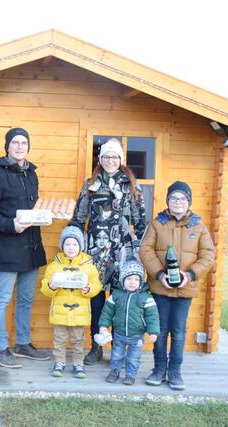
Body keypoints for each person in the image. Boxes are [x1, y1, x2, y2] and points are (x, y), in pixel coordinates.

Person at [0, 127, 50, 368]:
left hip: (32, 247)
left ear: (28, 146)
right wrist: (10, 225)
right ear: (7, 146)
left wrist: (45, 215)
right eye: (15, 143)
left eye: (24, 143)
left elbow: (31, 208)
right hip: (9, 246)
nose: (20, 146)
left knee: (27, 299)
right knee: (2, 300)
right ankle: (0, 348)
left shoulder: (31, 174)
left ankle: (23, 344)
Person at [70, 138, 147, 365]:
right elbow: (79, 218)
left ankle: (119, 349)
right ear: (100, 159)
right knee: (96, 303)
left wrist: (141, 252)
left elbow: (141, 222)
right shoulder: (90, 184)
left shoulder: (131, 185)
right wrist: (71, 243)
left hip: (122, 254)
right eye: (106, 157)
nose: (110, 161)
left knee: (120, 302)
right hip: (94, 255)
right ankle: (96, 347)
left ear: (120, 160)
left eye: (114, 157)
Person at [139, 181, 216, 390]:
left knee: (179, 331)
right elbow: (145, 250)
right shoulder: (157, 224)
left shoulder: (198, 226)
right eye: (174, 198)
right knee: (161, 329)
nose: (178, 202)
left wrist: (190, 275)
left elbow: (208, 255)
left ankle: (175, 372)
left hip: (185, 289)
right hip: (160, 288)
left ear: (188, 202)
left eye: (182, 198)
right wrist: (158, 274)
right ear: (168, 201)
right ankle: (158, 370)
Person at [40, 226, 102, 378]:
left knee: (78, 340)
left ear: (80, 246)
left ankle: (78, 363)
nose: (71, 248)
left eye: (75, 244)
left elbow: (97, 285)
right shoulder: (55, 265)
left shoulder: (88, 266)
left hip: (79, 311)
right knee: (59, 339)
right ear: (62, 246)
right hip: (60, 311)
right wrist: (51, 286)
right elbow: (45, 285)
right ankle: (59, 362)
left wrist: (88, 289)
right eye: (67, 244)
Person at [98, 257, 159, 385]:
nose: (132, 282)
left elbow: (152, 316)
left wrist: (153, 332)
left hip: (136, 335)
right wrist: (104, 325)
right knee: (116, 355)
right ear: (122, 280)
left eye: (136, 279)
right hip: (119, 334)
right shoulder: (116, 295)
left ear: (141, 282)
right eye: (129, 279)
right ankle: (114, 372)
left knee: (133, 358)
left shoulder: (146, 297)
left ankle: (130, 375)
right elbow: (107, 312)